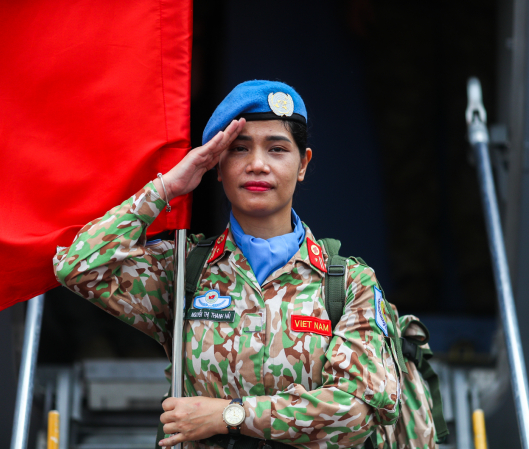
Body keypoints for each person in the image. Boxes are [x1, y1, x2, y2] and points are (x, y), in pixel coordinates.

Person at [53, 80, 401, 449]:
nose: (257, 164)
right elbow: (77, 266)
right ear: (217, 166)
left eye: (277, 149)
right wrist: (167, 188)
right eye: (238, 149)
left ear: (303, 164)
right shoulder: (184, 270)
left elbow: (356, 411)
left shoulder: (348, 284)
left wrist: (226, 415)